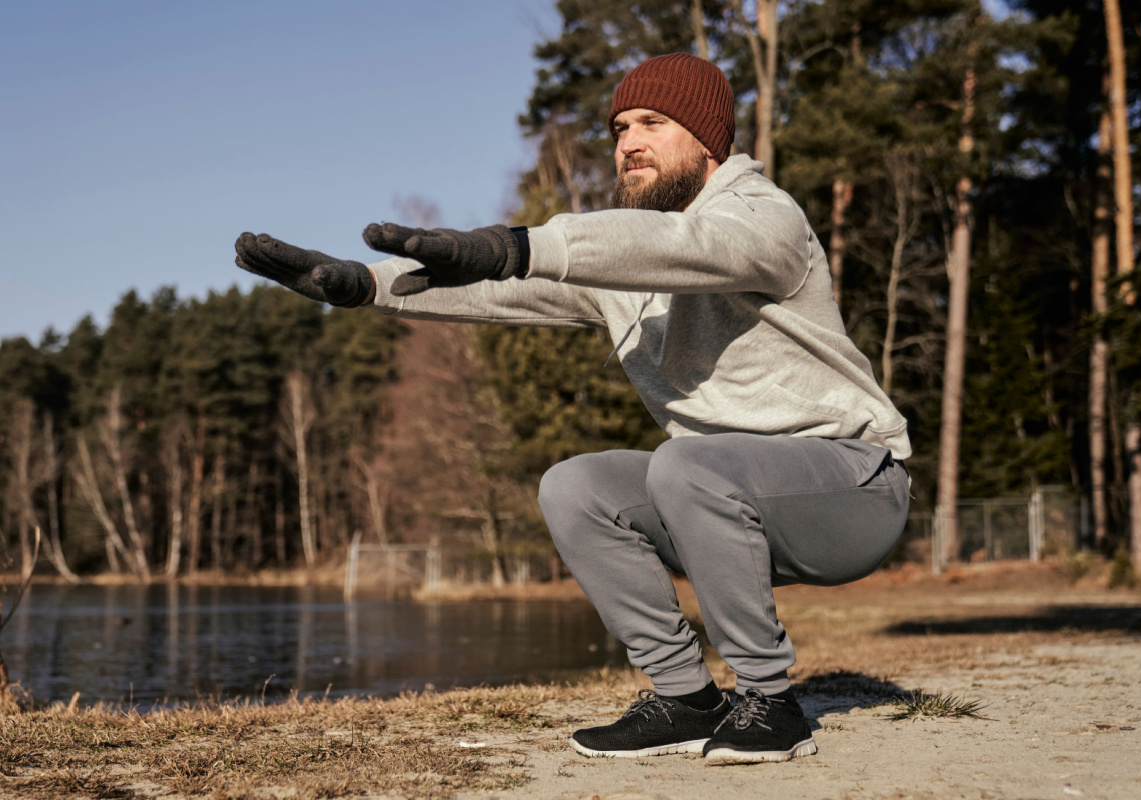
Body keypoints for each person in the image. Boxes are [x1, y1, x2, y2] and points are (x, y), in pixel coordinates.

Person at [234, 52, 911, 766]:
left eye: (652, 122)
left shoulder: (764, 218)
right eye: (620, 128)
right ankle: (685, 698)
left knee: (685, 464)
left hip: (854, 490)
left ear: (710, 139)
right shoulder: (632, 270)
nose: (629, 143)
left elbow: (688, 246)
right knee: (577, 487)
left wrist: (520, 242)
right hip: (723, 501)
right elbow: (504, 289)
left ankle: (771, 703)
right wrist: (366, 284)